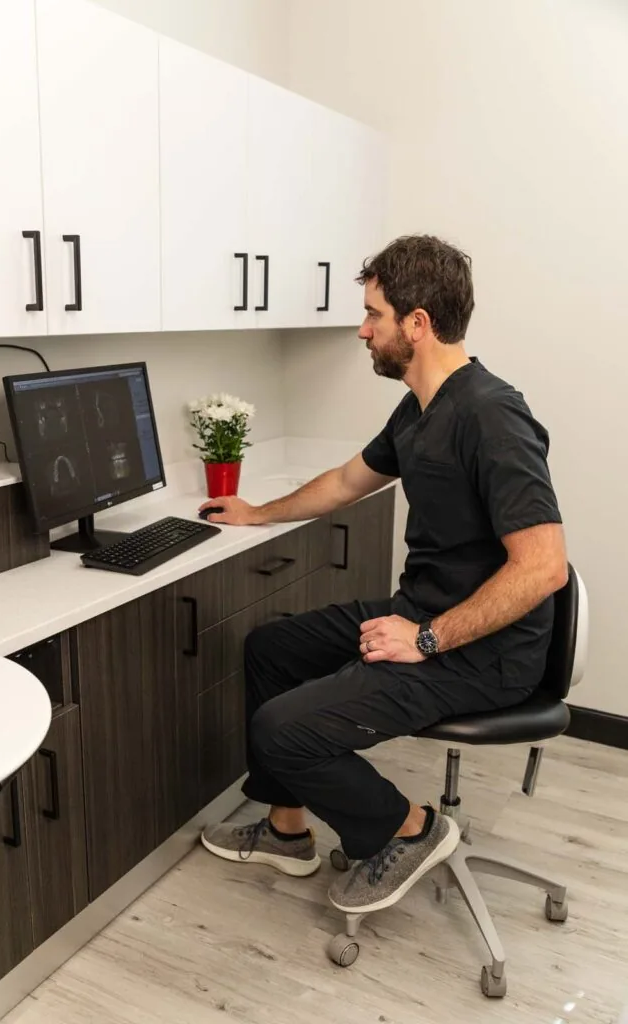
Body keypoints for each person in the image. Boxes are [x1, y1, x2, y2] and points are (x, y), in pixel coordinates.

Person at [198, 234, 567, 916]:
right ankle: (286, 830)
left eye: (373, 314)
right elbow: (346, 481)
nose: (362, 330)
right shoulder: (420, 407)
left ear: (416, 323)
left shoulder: (490, 416)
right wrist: (256, 514)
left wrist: (423, 640)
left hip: (482, 653)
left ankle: (411, 828)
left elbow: (542, 568)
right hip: (423, 611)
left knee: (284, 728)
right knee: (270, 649)